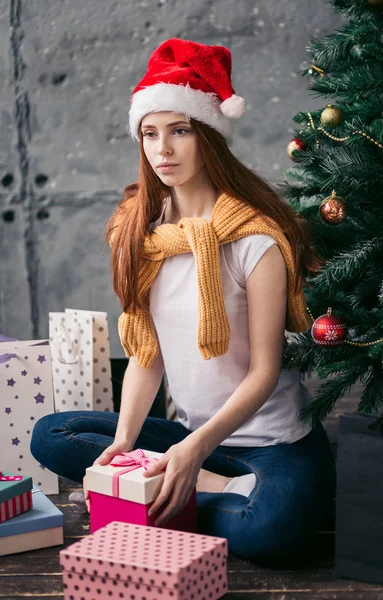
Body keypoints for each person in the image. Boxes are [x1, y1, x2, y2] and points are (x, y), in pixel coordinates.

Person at [30, 38, 336, 562]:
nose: (163, 149)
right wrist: (124, 443)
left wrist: (194, 453)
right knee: (52, 433)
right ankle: (173, 488)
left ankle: (185, 495)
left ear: (209, 136)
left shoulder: (254, 239)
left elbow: (264, 373)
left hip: (270, 443)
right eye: (150, 133)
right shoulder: (139, 235)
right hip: (190, 435)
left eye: (180, 130)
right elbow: (146, 357)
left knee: (273, 531)